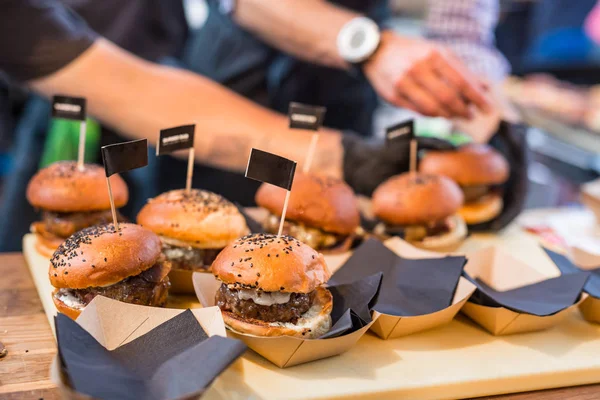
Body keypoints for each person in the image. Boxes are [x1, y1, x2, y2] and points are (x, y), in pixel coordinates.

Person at [0, 0, 524, 251]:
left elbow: (462, 21)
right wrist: (366, 43)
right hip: (242, 67)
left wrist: (476, 93)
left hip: (334, 87)